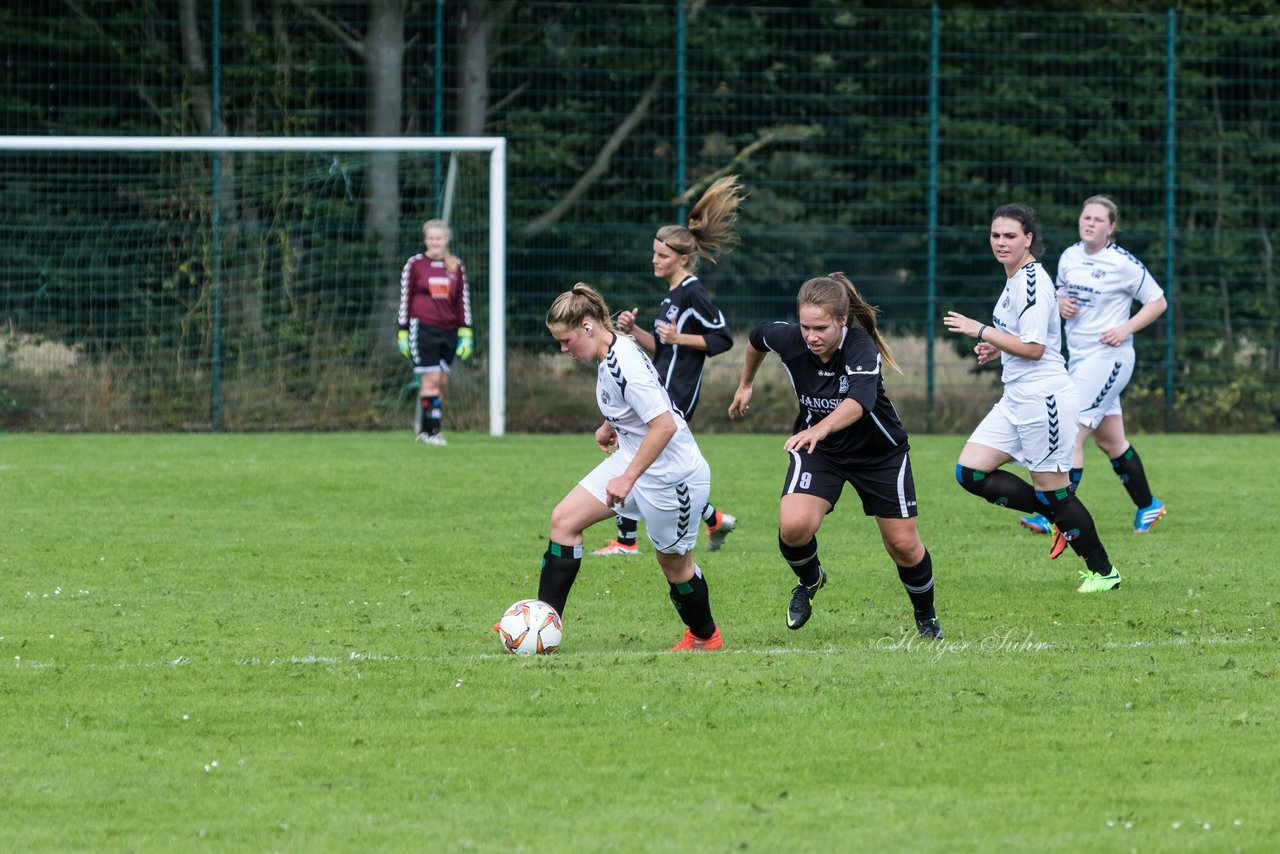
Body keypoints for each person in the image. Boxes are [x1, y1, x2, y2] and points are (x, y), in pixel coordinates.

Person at [728, 272, 943, 638]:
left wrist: (819, 427)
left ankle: (926, 618)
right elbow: (754, 339)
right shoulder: (790, 338)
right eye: (805, 326)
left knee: (904, 545)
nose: (811, 336)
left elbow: (860, 402)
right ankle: (810, 580)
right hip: (821, 450)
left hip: (879, 453)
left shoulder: (860, 347)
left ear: (842, 321)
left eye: (821, 328)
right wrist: (745, 384)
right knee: (793, 526)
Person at [944, 203, 1121, 593]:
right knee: (970, 472)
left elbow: (1036, 348)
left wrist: (980, 331)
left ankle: (1103, 571)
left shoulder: (1032, 282)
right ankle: (1056, 517)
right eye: (996, 235)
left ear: (1028, 239)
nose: (1001, 242)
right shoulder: (1014, 279)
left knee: (1053, 490)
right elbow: (1021, 338)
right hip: (1016, 397)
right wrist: (996, 347)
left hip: (1045, 399)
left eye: (1010, 236)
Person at [534, 282, 722, 651]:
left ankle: (704, 635)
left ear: (588, 327)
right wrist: (610, 426)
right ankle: (541, 624)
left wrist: (628, 476)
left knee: (675, 565)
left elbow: (664, 424)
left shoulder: (625, 362)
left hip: (672, 476)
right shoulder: (610, 352)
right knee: (564, 521)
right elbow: (636, 403)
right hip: (635, 457)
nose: (564, 349)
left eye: (566, 340)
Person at [594, 175, 745, 557]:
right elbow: (663, 348)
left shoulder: (693, 291)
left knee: (636, 456)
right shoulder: (672, 295)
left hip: (677, 392)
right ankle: (711, 519)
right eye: (654, 254)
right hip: (660, 383)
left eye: (661, 256)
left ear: (682, 258)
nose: (654, 260)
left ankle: (628, 541)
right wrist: (635, 331)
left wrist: (681, 340)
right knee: (640, 458)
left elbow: (722, 338)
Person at [1018, 195, 1168, 538]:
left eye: (1099, 220)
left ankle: (1054, 513)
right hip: (1081, 357)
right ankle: (1148, 505)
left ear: (1111, 227)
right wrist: (1060, 300)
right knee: (1111, 441)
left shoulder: (1122, 263)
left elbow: (1158, 301)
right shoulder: (1071, 256)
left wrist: (1125, 328)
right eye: (1086, 217)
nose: (1090, 223)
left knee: (1069, 432)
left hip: (1109, 359)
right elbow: (1057, 292)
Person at [397, 218, 473, 445]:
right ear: (425, 240)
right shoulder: (415, 264)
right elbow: (405, 298)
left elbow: (462, 301)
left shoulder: (456, 266)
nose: (435, 242)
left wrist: (466, 332)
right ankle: (431, 432)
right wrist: (402, 330)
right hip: (423, 329)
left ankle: (428, 431)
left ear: (446, 239)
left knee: (441, 382)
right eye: (430, 238)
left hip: (449, 331)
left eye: (439, 238)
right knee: (430, 380)